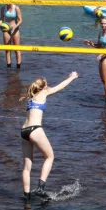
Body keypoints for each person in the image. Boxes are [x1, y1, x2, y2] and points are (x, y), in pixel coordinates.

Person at [20, 71, 79, 202]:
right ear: (44, 86)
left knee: (27, 166)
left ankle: (26, 196)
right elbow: (61, 86)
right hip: (35, 130)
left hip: (24, 131)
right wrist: (72, 77)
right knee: (50, 156)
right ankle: (40, 188)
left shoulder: (31, 97)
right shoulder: (43, 93)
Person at [84, 17, 106, 99]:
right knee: (104, 80)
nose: (103, 25)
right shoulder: (100, 33)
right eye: (102, 23)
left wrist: (102, 54)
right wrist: (91, 44)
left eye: (105, 23)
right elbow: (99, 46)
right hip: (102, 57)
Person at [0, 0, 23, 70]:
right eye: (6, 0)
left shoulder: (16, 8)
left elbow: (20, 20)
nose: (7, 2)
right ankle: (8, 67)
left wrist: (15, 26)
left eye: (9, 0)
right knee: (7, 49)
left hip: (15, 30)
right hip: (6, 30)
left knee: (17, 49)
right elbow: (1, 19)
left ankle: (18, 67)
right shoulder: (3, 8)